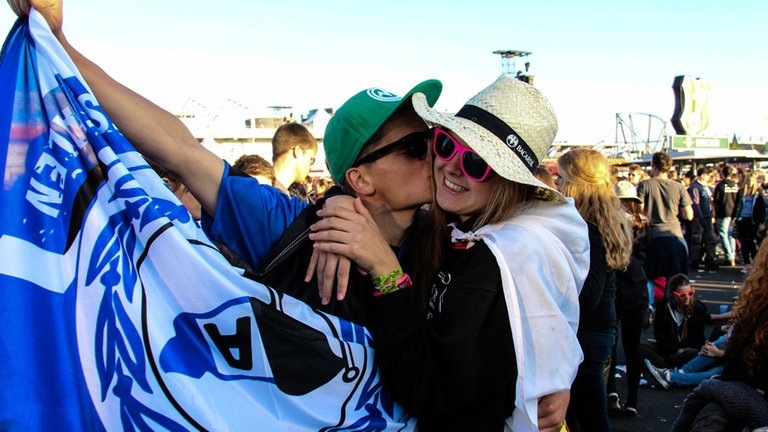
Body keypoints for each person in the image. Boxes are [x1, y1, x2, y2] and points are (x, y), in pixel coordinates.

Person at [310, 75, 589, 431]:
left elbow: (427, 389)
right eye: (443, 145)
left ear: (508, 180)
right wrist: (342, 200)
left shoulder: (503, 258)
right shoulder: (463, 231)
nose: (452, 167)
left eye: (477, 163)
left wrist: (385, 269)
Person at [557, 149, 633, 432]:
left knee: (589, 414)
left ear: (577, 183)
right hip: (598, 329)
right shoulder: (602, 219)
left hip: (588, 333)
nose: (558, 185)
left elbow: (588, 295)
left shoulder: (589, 228)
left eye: (562, 178)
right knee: (582, 411)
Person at [671, 239, 768, 432]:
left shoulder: (755, 310)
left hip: (746, 395)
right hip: (742, 391)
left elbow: (736, 369)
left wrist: (720, 355)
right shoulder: (755, 312)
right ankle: (676, 375)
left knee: (712, 397)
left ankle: (675, 376)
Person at [606, 180, 649, 417]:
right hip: (637, 288)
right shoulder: (644, 224)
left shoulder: (610, 223)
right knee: (633, 346)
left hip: (615, 287)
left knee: (611, 345)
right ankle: (633, 399)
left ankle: (611, 391)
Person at [636, 152, 693, 307]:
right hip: (675, 235)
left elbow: (639, 210)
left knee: (649, 276)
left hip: (653, 237)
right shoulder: (678, 186)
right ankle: (675, 307)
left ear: (653, 166)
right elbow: (689, 214)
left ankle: (650, 306)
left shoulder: (645, 185)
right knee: (676, 276)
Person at [640, 274, 723, 370]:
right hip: (670, 349)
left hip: (689, 350)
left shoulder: (697, 308)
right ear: (673, 294)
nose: (687, 297)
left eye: (690, 293)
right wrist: (675, 349)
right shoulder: (664, 309)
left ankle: (663, 366)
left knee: (691, 353)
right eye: (682, 295)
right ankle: (663, 365)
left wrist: (683, 350)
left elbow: (698, 337)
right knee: (640, 346)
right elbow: (660, 335)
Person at [644, 333, 727, 390]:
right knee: (722, 342)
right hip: (728, 358)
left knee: (713, 373)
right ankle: (680, 372)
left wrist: (719, 353)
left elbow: (739, 362)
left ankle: (670, 378)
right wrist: (709, 348)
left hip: (736, 368)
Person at [270, 122, 317, 199]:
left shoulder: (256, 188)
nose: (311, 167)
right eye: (311, 159)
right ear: (298, 151)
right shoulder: (270, 196)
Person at [733, 170, 765, 274]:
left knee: (752, 242)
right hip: (742, 219)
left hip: (753, 220)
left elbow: (762, 207)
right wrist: (734, 218)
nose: (749, 182)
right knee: (743, 242)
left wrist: (761, 222)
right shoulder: (741, 192)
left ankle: (755, 263)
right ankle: (747, 264)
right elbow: (737, 206)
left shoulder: (758, 192)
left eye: (750, 180)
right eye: (747, 180)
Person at [687, 166, 718, 272]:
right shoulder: (695, 187)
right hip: (699, 217)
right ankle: (695, 259)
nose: (709, 177)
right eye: (708, 175)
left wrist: (712, 214)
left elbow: (710, 202)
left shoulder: (705, 187)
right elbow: (696, 204)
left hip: (708, 216)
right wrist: (700, 217)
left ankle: (710, 258)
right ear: (703, 175)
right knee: (697, 239)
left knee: (710, 239)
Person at [712, 164, 739, 266]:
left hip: (723, 212)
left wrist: (714, 213)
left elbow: (716, 201)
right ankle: (732, 254)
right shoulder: (735, 185)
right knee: (731, 235)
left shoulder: (720, 185)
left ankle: (729, 256)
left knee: (723, 234)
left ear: (722, 173)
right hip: (733, 213)